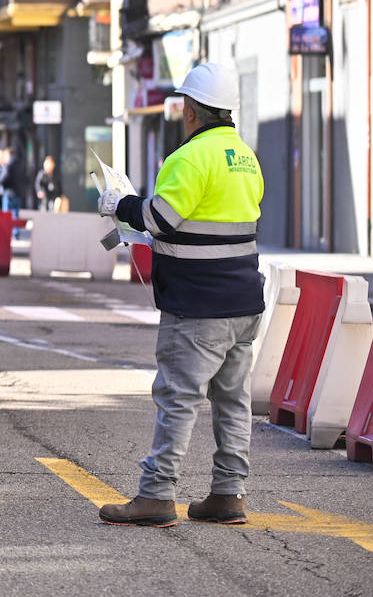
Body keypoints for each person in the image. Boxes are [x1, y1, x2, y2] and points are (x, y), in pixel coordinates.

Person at [96, 61, 264, 527]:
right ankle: (229, 494)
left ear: (191, 109)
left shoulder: (189, 158)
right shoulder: (244, 156)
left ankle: (155, 495)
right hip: (244, 301)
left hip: (198, 305)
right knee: (232, 401)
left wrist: (121, 204)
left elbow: (161, 218)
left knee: (178, 398)